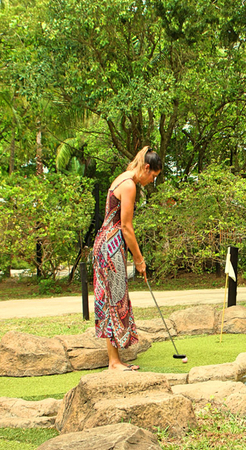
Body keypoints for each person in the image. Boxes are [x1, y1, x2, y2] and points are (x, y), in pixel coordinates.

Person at [92, 146, 162, 371]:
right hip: (110, 247)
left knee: (111, 299)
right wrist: (139, 260)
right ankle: (114, 363)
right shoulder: (130, 184)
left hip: (105, 243)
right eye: (153, 176)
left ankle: (115, 360)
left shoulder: (122, 178)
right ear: (147, 167)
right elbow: (126, 227)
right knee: (114, 300)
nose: (152, 181)